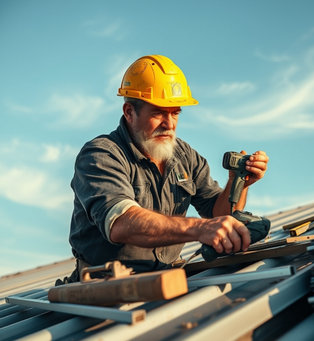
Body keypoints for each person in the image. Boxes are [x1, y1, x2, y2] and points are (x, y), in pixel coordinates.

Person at [67, 55, 269, 280]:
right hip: (104, 286)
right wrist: (199, 229)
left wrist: (237, 184)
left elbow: (219, 216)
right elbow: (121, 223)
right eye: (158, 113)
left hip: (164, 279)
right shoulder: (101, 155)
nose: (169, 124)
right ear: (129, 112)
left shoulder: (185, 156)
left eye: (175, 113)